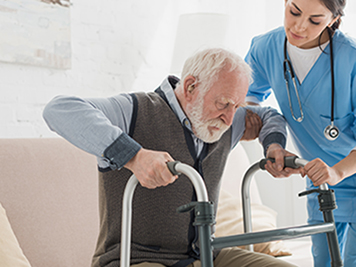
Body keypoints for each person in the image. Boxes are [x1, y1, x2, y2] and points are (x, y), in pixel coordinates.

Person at [43, 48, 296, 267]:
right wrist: (134, 156)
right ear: (190, 87)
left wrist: (273, 145)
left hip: (206, 255)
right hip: (135, 259)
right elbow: (59, 109)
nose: (230, 119)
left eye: (237, 107)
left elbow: (268, 115)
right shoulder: (135, 111)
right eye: (223, 104)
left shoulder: (224, 120)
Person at [244, 0, 356, 266]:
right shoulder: (265, 48)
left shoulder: (351, 58)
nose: (299, 26)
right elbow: (248, 103)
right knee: (323, 260)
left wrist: (338, 171)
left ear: (333, 19)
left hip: (344, 170)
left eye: (315, 20)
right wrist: (272, 144)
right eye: (294, 11)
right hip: (320, 181)